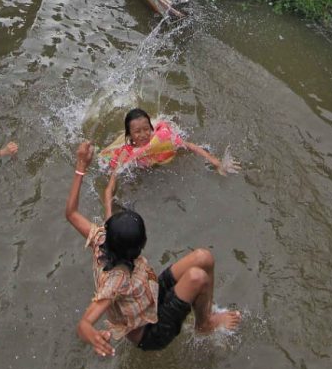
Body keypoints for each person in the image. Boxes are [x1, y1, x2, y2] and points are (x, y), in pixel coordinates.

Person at [65, 142, 241, 357]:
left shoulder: (102, 237)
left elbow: (71, 213)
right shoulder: (116, 281)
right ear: (140, 246)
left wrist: (81, 165)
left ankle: (204, 309)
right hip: (151, 332)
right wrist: (91, 335)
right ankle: (204, 325)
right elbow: (84, 323)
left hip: (152, 294)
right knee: (197, 277)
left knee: (203, 257)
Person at [100, 108, 239, 175]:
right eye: (137, 132)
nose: (143, 135)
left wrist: (215, 162)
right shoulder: (127, 151)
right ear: (130, 135)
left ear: (151, 128)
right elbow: (114, 175)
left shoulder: (161, 140)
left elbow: (189, 145)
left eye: (146, 129)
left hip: (158, 155)